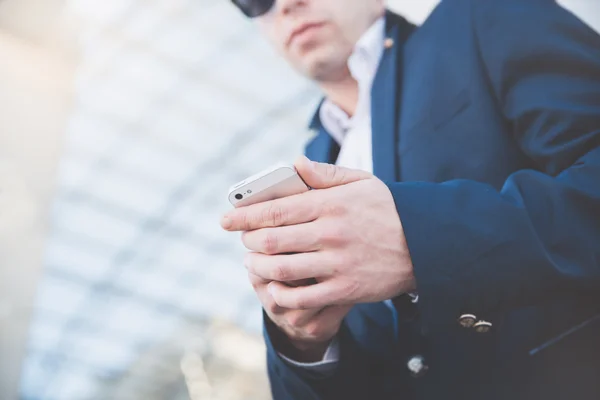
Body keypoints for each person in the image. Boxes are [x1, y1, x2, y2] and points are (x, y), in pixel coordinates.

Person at [221, 0, 600, 399]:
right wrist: (304, 345)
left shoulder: (484, 18)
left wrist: (419, 243)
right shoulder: (312, 168)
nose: (286, 5)